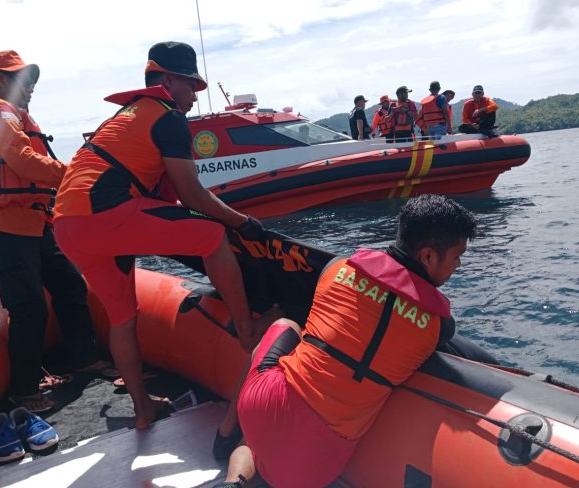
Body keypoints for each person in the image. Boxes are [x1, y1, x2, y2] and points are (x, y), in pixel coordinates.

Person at [52, 41, 277, 429]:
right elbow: (191, 194)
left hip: (67, 226)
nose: (193, 97)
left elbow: (165, 193)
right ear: (169, 80)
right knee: (211, 235)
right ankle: (246, 330)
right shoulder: (167, 115)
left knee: (123, 317)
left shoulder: (126, 116)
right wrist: (241, 222)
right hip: (104, 214)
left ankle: (144, 410)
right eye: (191, 85)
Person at [215, 194, 477, 488]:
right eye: (457, 256)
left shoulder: (336, 269)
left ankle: (226, 443)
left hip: (262, 407)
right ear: (428, 256)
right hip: (317, 464)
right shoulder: (438, 325)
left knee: (285, 324)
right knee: (273, 441)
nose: (458, 265)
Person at [0, 50, 111, 413]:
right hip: (1, 225)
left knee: (68, 284)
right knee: (29, 306)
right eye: (23, 79)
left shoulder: (3, 112)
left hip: (30, 220)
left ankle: (84, 358)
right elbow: (21, 160)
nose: (31, 87)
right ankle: (24, 388)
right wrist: (76, 174)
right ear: (1, 80)